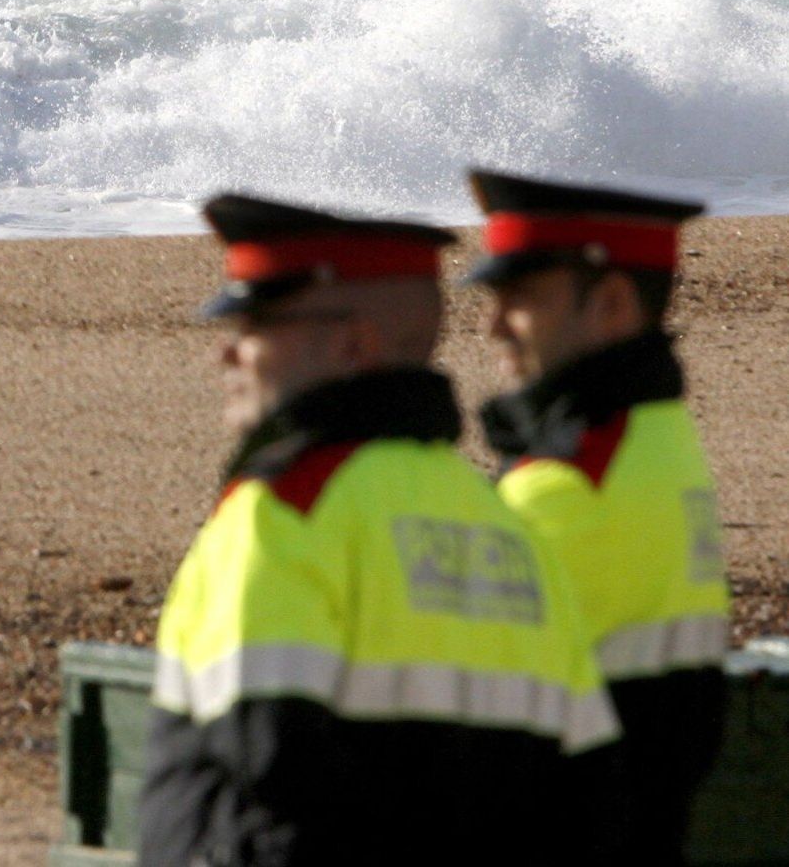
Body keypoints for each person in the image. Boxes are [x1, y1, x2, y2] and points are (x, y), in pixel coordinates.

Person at [138, 193, 618, 867]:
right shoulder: (508, 530)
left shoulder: (286, 513)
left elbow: (266, 776)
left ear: (351, 344)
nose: (228, 355)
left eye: (256, 325)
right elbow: (588, 796)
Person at [466, 169, 729, 865]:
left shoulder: (565, 484)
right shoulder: (658, 437)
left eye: (519, 296)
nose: (492, 325)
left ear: (611, 304)